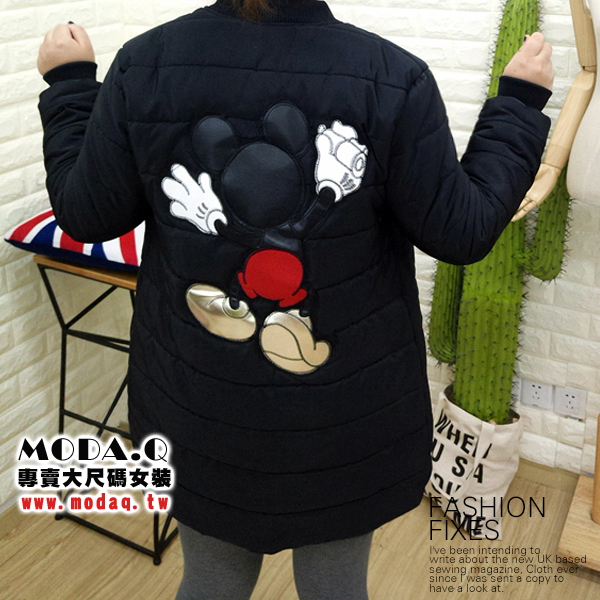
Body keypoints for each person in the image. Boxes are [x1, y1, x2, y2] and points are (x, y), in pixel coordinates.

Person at [36, 1, 554, 598]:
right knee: (334, 587)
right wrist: (518, 106)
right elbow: (461, 230)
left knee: (211, 581)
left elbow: (86, 215)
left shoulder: (145, 66)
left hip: (200, 410)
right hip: (341, 418)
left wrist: (70, 86)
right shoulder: (391, 77)